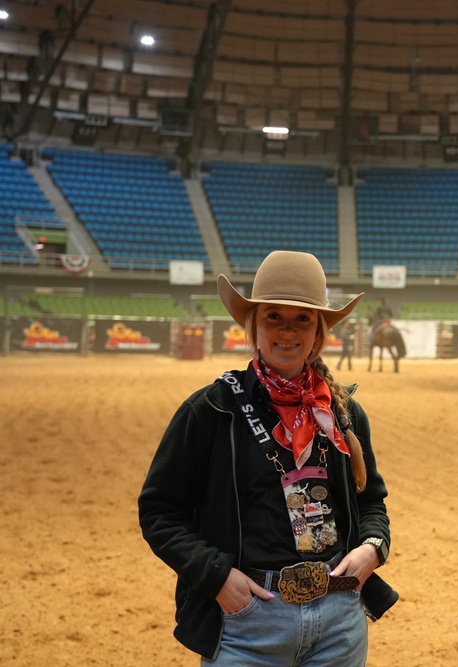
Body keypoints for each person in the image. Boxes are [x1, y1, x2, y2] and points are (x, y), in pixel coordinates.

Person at [138, 250, 397, 666]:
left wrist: (373, 547)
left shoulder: (345, 412)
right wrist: (217, 578)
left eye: (303, 319)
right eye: (274, 316)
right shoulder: (210, 411)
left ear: (319, 333)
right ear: (253, 326)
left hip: (339, 621)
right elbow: (160, 511)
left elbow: (371, 502)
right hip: (247, 623)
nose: (287, 331)